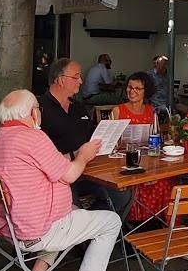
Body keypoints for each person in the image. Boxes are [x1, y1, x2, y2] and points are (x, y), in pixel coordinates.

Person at [0, 89, 120, 271]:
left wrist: (74, 155)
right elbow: (71, 175)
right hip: (38, 230)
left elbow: (47, 163)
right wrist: (83, 156)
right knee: (111, 221)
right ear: (33, 113)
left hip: (12, 227)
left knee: (74, 213)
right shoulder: (33, 138)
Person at [39, 58, 131, 215]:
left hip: (89, 171)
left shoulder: (78, 107)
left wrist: (108, 140)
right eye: (76, 77)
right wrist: (75, 155)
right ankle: (85, 224)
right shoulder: (39, 109)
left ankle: (92, 225)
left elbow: (91, 135)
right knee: (71, 210)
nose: (81, 81)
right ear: (61, 80)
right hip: (58, 177)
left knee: (122, 196)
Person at [114, 73, 172, 222]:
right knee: (139, 182)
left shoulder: (151, 111)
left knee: (165, 180)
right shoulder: (118, 110)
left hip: (147, 161)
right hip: (124, 163)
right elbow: (111, 143)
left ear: (146, 92)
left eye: (137, 88)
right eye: (130, 87)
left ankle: (157, 220)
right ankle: (137, 220)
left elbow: (156, 137)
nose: (132, 91)